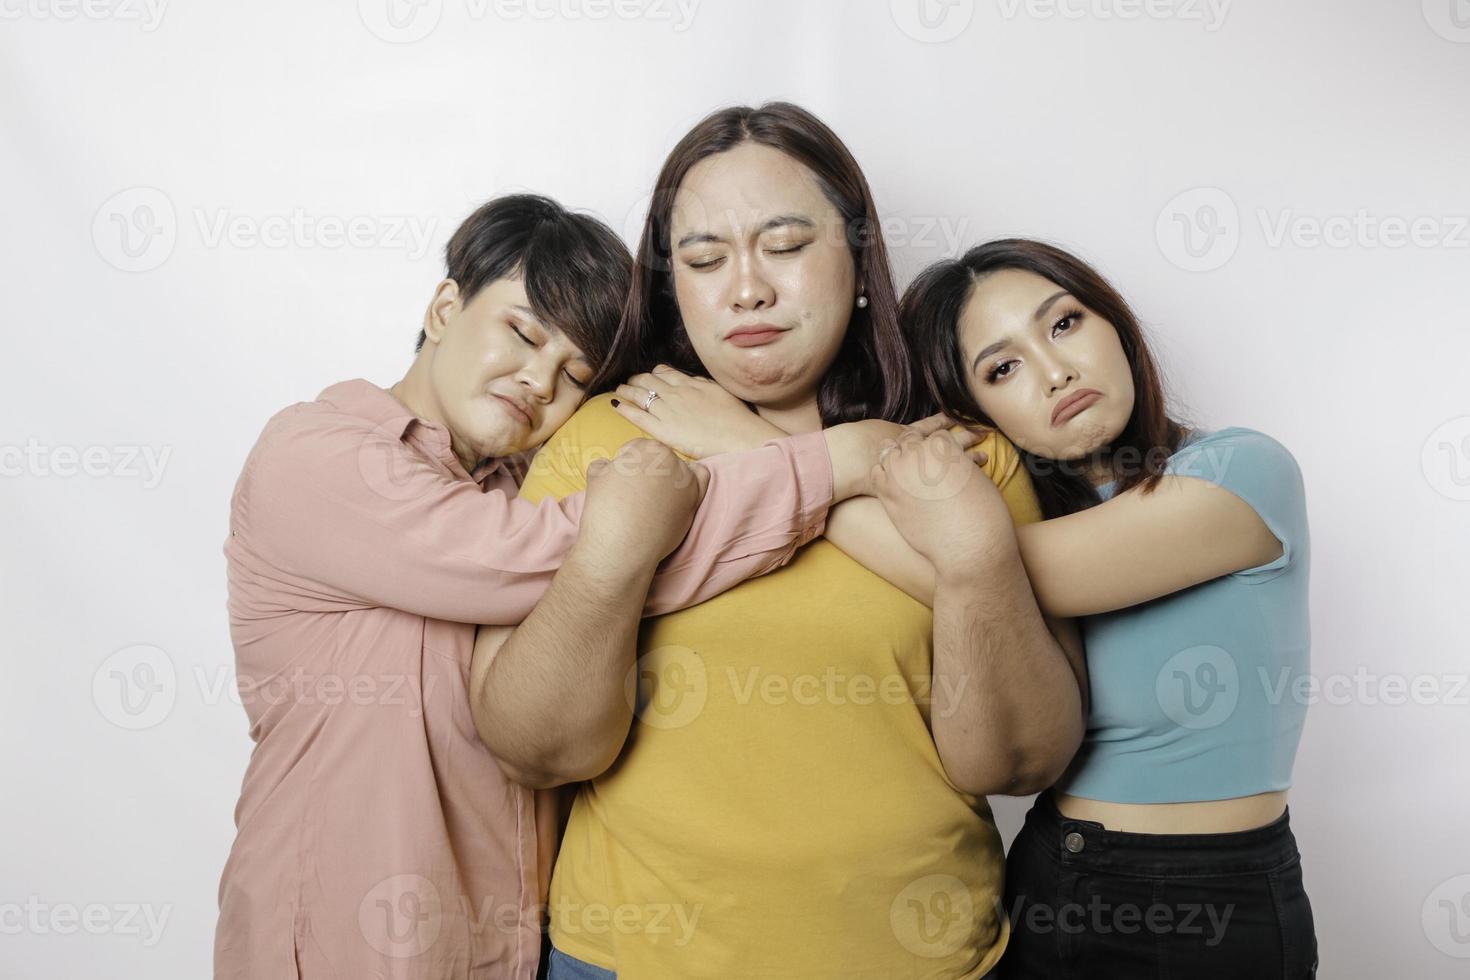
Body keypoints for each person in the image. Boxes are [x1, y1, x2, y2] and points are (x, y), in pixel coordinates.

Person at [213, 193, 927, 979]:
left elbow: (630, 569)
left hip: (509, 946)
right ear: (447, 306)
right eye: (521, 333)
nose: (535, 381)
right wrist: (837, 461)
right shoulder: (317, 455)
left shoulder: (524, 481)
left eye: (572, 374)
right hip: (339, 939)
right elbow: (552, 552)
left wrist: (703, 481)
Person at [472, 103, 1086, 980]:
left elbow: (1022, 761)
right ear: (672, 286)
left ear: (861, 263)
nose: (747, 288)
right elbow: (535, 747)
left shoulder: (961, 455)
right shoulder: (608, 439)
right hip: (631, 961)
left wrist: (973, 554)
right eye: (704, 258)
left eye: (787, 246)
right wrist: (616, 554)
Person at [894, 238, 1318, 979]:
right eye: (1003, 367)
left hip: (1212, 904)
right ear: (975, 413)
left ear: (1115, 326)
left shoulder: (1239, 471)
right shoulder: (1011, 523)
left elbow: (983, 567)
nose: (1055, 371)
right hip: (1048, 875)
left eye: (1063, 324)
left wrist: (796, 471)